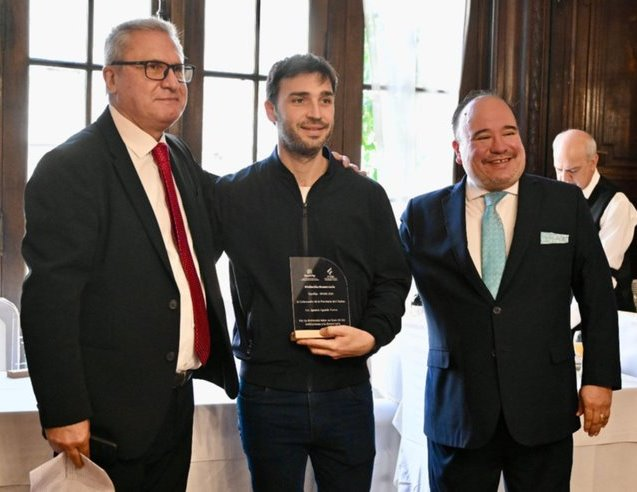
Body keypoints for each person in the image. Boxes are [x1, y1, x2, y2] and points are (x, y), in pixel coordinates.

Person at [20, 17, 238, 491]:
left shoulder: (174, 154)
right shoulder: (72, 168)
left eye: (180, 70)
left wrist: (313, 169)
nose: (173, 82)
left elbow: (234, 201)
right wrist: (64, 410)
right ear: (111, 78)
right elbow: (48, 302)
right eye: (154, 67)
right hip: (104, 419)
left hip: (173, 407)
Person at [399, 90, 621, 491]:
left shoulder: (564, 204)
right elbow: (385, 285)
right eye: (482, 135)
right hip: (459, 413)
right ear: (457, 148)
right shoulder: (421, 215)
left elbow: (597, 297)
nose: (499, 146)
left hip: (544, 408)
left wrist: (599, 379)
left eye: (509, 132)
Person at [211, 53, 411, 491]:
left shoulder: (366, 195)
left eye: (325, 100)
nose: (316, 113)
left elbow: (394, 278)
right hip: (267, 393)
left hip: (348, 391)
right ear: (271, 110)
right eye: (300, 100)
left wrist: (374, 334)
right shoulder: (232, 195)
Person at [553, 128, 637, 312]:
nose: (564, 179)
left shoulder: (617, 205)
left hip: (606, 314)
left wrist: (560, 322)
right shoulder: (553, 196)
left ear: (593, 162)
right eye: (559, 169)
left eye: (573, 170)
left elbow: (599, 277)